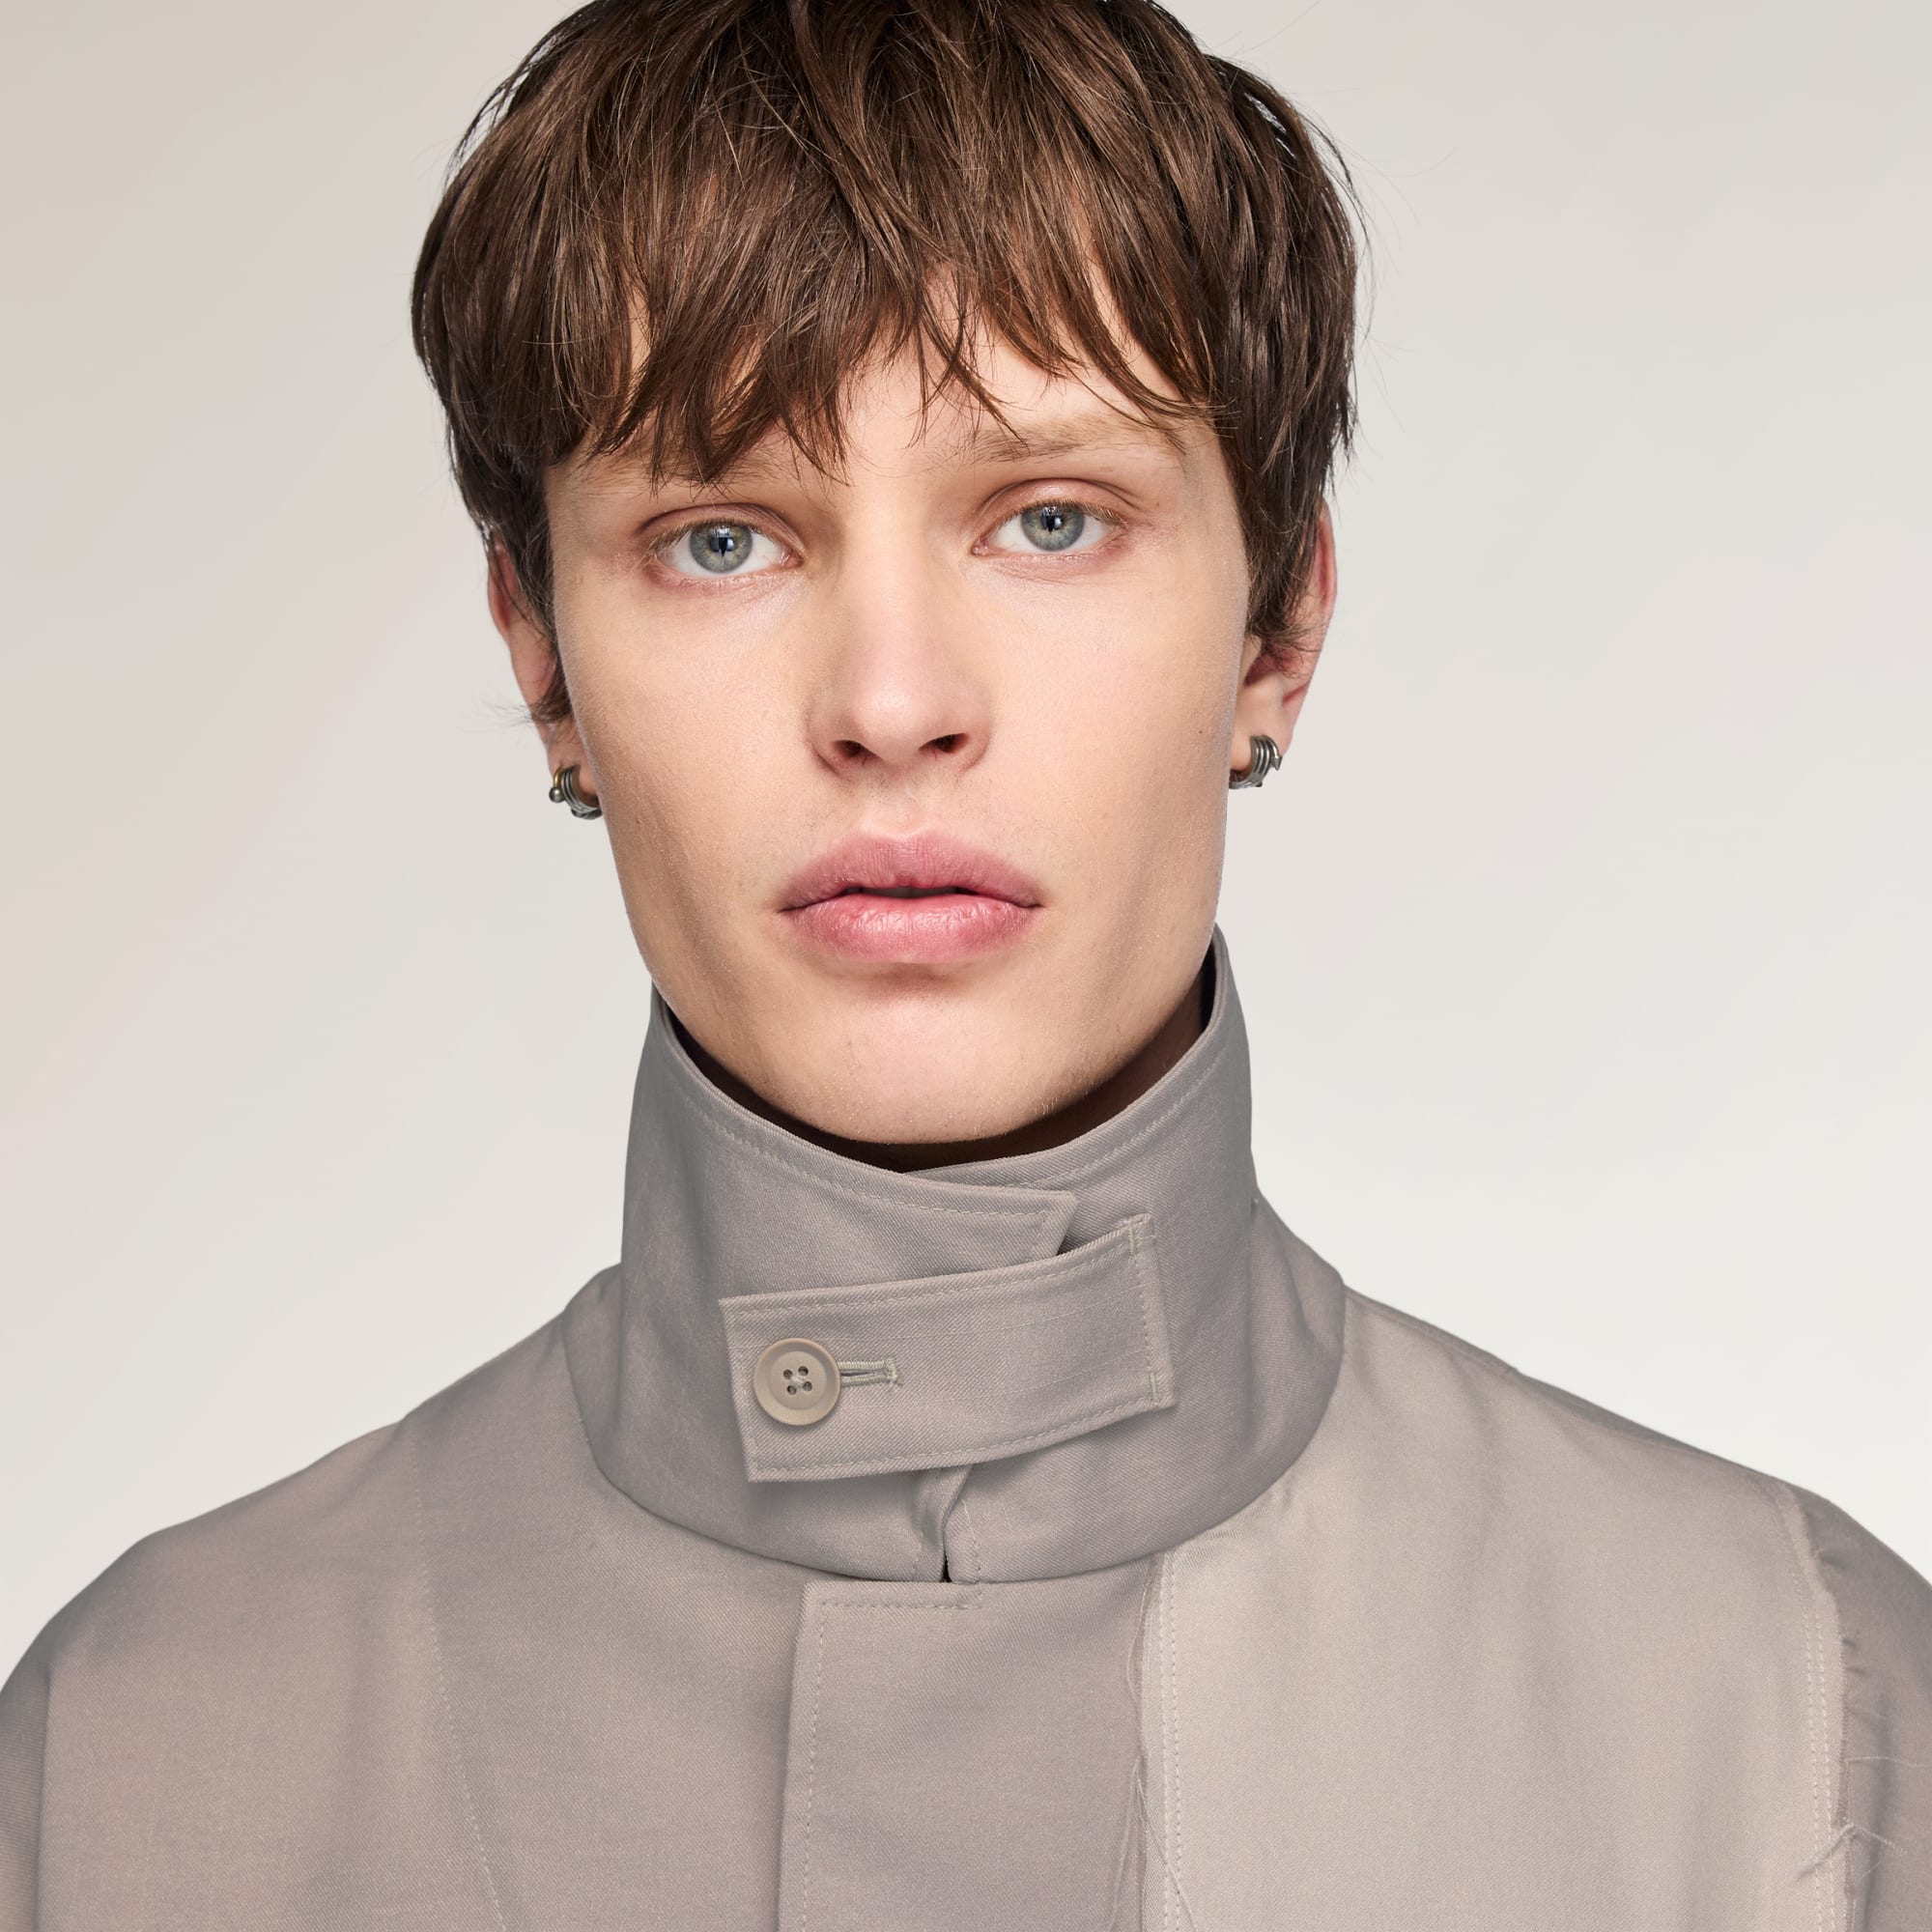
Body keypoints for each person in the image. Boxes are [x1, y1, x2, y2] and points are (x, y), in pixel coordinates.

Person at [3, 0, 1927, 1924]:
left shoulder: (1796, 1726)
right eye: (721, 540)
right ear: (543, 654)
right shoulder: (126, 1766)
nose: (890, 701)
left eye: (1050, 520)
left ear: (1275, 628)